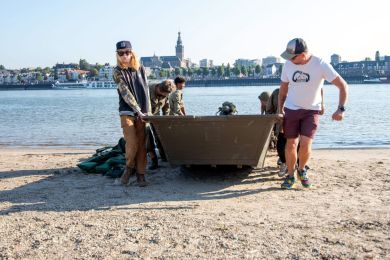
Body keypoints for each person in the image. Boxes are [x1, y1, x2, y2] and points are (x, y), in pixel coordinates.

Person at [278, 38, 348, 189]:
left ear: (303, 55)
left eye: (292, 56)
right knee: (290, 143)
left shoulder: (320, 64)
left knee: (305, 143)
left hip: (311, 110)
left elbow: (343, 86)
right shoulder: (288, 65)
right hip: (291, 109)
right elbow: (283, 90)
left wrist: (340, 109)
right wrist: (280, 110)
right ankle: (290, 176)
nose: (289, 60)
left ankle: (302, 170)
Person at [112, 40, 151, 187]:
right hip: (127, 111)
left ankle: (141, 175)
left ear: (132, 52)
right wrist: (138, 110)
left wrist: (148, 112)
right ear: (117, 55)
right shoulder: (117, 71)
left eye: (127, 52)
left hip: (144, 113)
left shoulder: (140, 69)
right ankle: (128, 169)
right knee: (132, 142)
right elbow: (125, 93)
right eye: (121, 53)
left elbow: (146, 90)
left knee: (142, 145)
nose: (124, 56)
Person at [267, 87, 325, 177]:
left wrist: (321, 104)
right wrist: (276, 117)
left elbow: (319, 88)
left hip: (298, 120)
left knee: (299, 144)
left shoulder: (303, 88)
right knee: (281, 145)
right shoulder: (277, 92)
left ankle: (299, 166)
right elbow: (269, 109)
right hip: (282, 122)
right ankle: (284, 162)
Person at [147, 80, 175, 169]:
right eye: (163, 94)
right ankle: (154, 160)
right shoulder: (146, 89)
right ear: (159, 88)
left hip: (155, 114)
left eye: (166, 95)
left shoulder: (167, 92)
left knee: (160, 135)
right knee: (148, 138)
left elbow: (166, 107)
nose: (164, 96)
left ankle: (164, 157)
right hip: (143, 115)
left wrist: (165, 120)